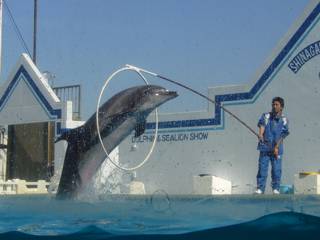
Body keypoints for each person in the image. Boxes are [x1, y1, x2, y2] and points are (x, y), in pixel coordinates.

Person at [255, 97, 289, 194]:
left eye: (276, 104)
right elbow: (262, 125)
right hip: (265, 147)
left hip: (276, 149)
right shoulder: (266, 116)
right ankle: (260, 188)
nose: (274, 106)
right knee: (262, 168)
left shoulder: (284, 119)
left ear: (281, 107)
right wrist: (261, 135)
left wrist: (276, 147)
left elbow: (283, 135)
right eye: (273, 104)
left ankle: (276, 188)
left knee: (276, 169)